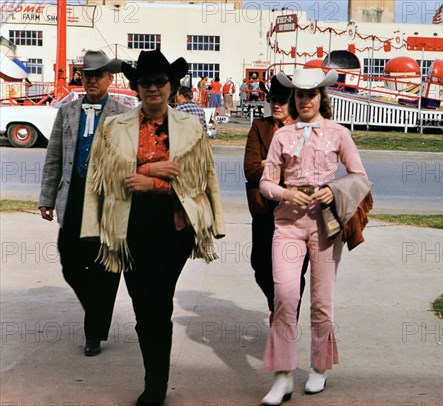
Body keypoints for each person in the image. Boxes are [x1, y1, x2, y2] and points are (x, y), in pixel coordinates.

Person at [80, 49, 225, 405]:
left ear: (172, 86)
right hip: (128, 228)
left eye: (160, 82)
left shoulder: (191, 126)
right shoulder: (115, 127)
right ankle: (155, 376)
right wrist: (147, 170)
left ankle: (155, 385)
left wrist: (158, 185)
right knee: (145, 307)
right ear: (136, 87)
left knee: (156, 302)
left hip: (173, 227)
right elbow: (98, 178)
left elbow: (201, 177)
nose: (153, 89)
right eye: (145, 83)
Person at [258, 68, 369, 405]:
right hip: (288, 225)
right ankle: (282, 377)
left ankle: (319, 366)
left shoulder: (338, 134)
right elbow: (265, 183)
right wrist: (285, 194)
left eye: (312, 95)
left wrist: (332, 191)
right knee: (286, 297)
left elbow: (360, 177)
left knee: (321, 301)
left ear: (322, 97)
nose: (306, 101)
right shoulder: (282, 136)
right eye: (300, 95)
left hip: (325, 228)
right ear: (294, 98)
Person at [39, 49, 126, 357]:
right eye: (87, 75)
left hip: (107, 200)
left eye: (97, 76)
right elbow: (54, 158)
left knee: (105, 266)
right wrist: (47, 198)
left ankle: (94, 331)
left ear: (109, 79)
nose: (91, 81)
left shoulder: (122, 113)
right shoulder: (68, 112)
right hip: (74, 195)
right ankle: (97, 309)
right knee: (70, 262)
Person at [243, 75, 308, 322]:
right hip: (264, 211)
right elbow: (250, 168)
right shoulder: (259, 127)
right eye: (272, 99)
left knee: (294, 272)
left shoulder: (306, 129)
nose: (276, 105)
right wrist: (282, 166)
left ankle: (286, 322)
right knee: (261, 267)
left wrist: (268, 164)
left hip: (297, 215)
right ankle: (277, 307)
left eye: (282, 100)